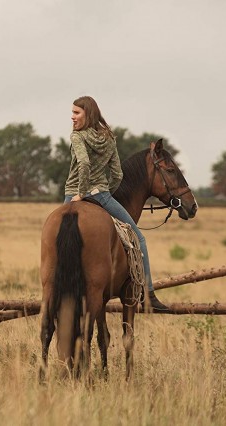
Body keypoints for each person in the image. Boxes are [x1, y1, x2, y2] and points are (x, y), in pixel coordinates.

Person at [63, 95, 168, 311]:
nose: (72, 117)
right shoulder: (109, 138)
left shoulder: (77, 136)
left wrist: (81, 194)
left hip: (74, 194)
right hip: (101, 195)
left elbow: (83, 164)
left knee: (60, 243)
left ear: (87, 114)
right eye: (72, 112)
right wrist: (103, 191)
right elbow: (118, 174)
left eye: (76, 113)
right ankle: (148, 295)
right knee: (139, 239)